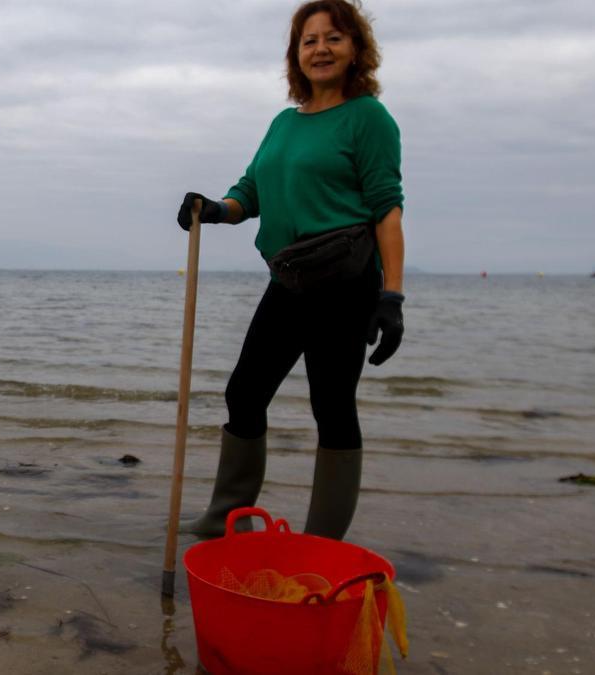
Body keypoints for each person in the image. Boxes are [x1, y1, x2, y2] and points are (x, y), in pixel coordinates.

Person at [175, 0, 405, 540]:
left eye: (334, 38)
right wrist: (214, 208)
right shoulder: (284, 122)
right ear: (295, 54)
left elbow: (387, 211)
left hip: (347, 285)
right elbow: (250, 192)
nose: (320, 49)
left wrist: (391, 298)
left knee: (331, 405)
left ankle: (323, 542)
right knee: (244, 394)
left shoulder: (368, 117)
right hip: (290, 282)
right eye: (309, 40)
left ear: (356, 50)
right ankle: (227, 517)